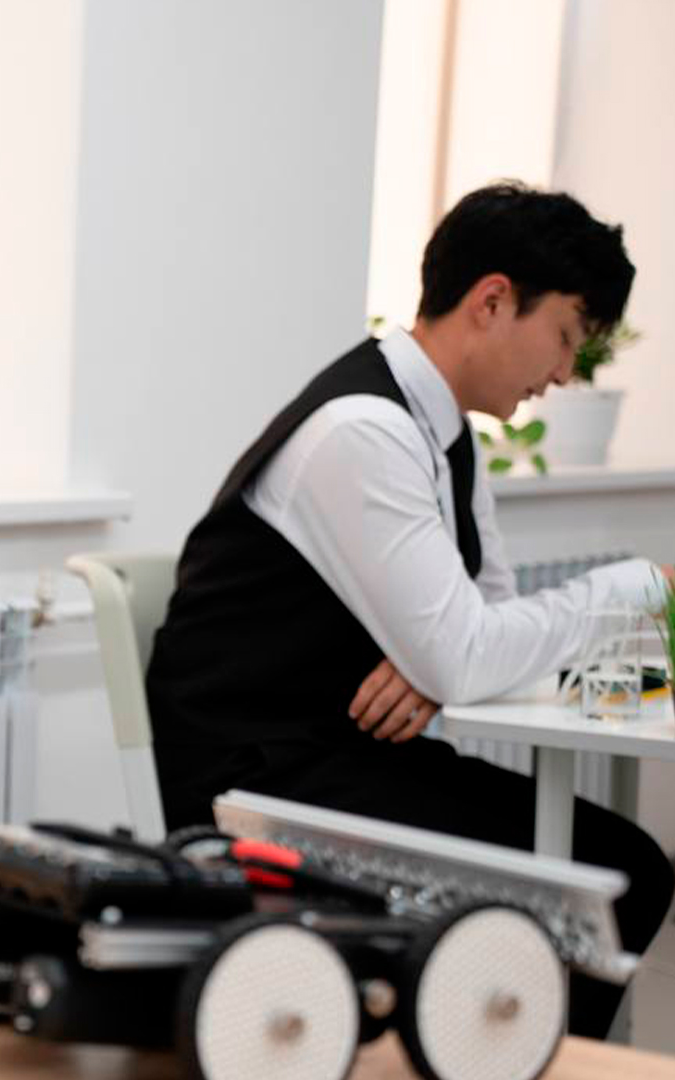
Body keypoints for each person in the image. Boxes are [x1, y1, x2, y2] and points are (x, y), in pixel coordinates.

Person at [146, 182, 673, 1037]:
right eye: (565, 336)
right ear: (492, 301)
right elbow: (473, 651)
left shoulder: (445, 435)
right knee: (620, 873)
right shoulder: (364, 430)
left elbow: (485, 632)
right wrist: (634, 588)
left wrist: (437, 666)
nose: (564, 374)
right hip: (259, 778)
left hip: (340, 751)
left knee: (618, 866)